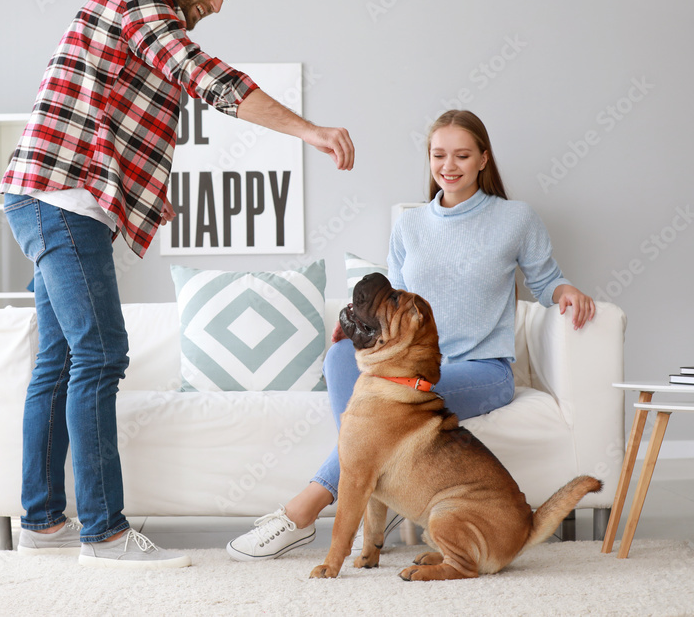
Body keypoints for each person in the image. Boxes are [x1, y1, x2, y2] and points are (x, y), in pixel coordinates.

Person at [0, 0, 354, 570]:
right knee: (100, 354)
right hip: (61, 198)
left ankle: (42, 521)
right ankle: (105, 536)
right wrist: (311, 131)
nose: (217, 4)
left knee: (57, 361)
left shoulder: (138, 14)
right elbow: (206, 77)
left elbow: (136, 110)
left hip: (53, 196)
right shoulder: (141, 2)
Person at [226, 109, 595, 562]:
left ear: (483, 158)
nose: (449, 165)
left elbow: (545, 280)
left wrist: (567, 291)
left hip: (481, 370)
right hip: (408, 370)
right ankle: (375, 489)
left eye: (462, 155)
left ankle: (304, 510)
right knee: (340, 360)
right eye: (439, 155)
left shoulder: (515, 218)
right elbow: (393, 307)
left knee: (369, 434)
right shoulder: (411, 225)